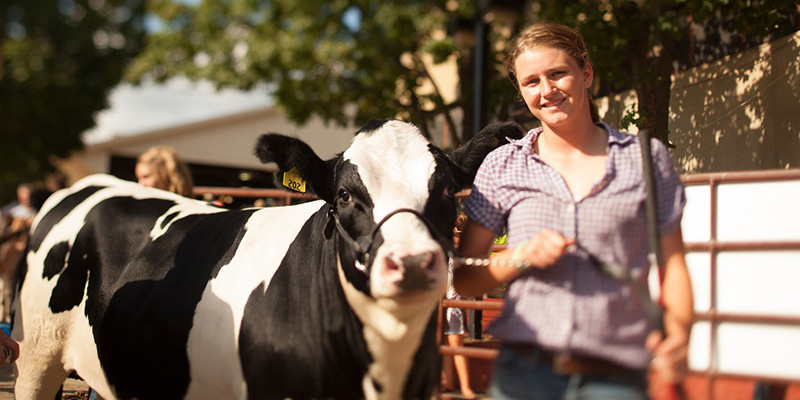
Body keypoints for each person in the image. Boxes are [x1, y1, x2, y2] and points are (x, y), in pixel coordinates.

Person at [454, 22, 693, 399]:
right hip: (525, 375)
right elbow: (464, 276)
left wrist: (680, 335)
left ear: (586, 74)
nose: (546, 90)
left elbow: (674, 264)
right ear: (521, 91)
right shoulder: (501, 165)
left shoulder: (645, 159)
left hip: (615, 377)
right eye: (531, 82)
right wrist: (519, 257)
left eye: (558, 74)